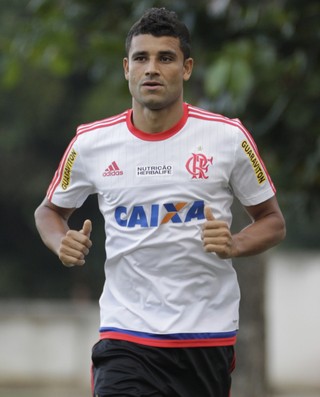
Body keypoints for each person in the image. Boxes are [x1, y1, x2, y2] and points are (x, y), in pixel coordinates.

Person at [34, 7, 286, 397]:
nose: (151, 68)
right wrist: (59, 240)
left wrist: (235, 243)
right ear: (126, 68)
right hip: (125, 335)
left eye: (165, 58)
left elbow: (273, 221)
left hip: (205, 337)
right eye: (141, 58)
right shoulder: (91, 143)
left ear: (186, 68)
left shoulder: (228, 138)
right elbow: (49, 211)